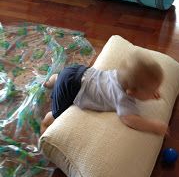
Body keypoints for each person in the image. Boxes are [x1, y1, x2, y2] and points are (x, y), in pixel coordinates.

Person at [40, 50, 169, 136]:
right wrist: (154, 127)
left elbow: (138, 78)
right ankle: (45, 124)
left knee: (60, 77)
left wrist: (150, 92)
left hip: (76, 70)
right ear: (131, 92)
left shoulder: (118, 75)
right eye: (153, 90)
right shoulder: (123, 99)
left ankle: (51, 81)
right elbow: (130, 120)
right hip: (71, 88)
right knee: (56, 115)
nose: (156, 92)